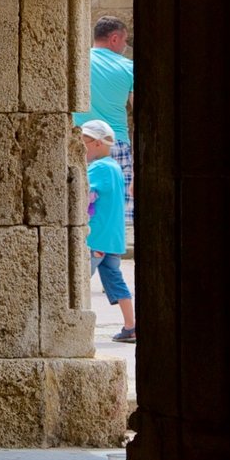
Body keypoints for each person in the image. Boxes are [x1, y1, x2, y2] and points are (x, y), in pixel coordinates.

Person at [81, 118, 134, 343]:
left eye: (84, 142)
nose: (81, 147)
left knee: (80, 280)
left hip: (97, 238)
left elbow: (83, 192)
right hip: (112, 240)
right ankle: (131, 326)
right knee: (115, 281)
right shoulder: (114, 167)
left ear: (97, 143)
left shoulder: (100, 168)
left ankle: (77, 327)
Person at [80, 16, 135, 227]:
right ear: (114, 38)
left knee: (84, 210)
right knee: (118, 214)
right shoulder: (128, 67)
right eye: (125, 40)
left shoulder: (79, 61)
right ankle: (111, 257)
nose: (125, 46)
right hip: (116, 144)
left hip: (81, 143)